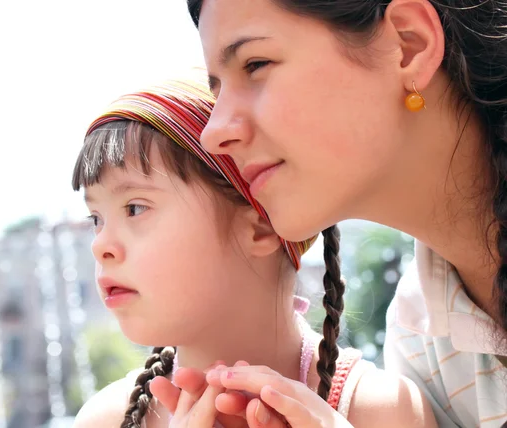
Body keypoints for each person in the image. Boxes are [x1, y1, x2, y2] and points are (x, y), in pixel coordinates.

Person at [184, 0, 507, 426]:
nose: (213, 133)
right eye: (217, 89)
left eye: (256, 64)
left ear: (408, 45)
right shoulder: (421, 329)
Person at [70, 74, 435, 427]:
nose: (101, 245)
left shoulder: (379, 410)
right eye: (96, 219)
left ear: (261, 224)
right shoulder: (105, 419)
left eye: (135, 208)